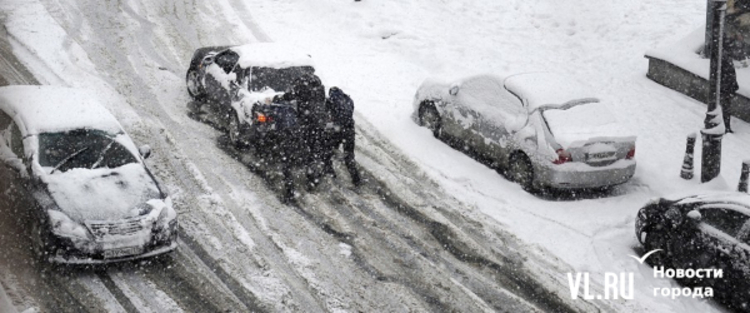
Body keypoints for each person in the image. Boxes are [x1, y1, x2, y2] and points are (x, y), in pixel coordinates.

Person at [286, 73, 328, 189]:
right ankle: (316, 174)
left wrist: (280, 98)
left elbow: (289, 96)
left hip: (307, 123)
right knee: (316, 148)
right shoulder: (320, 89)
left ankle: (308, 174)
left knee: (305, 147)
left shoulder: (302, 88)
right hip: (319, 122)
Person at [323, 87, 361, 186]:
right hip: (349, 131)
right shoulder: (348, 100)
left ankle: (332, 175)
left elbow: (325, 114)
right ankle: (356, 179)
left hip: (338, 130)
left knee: (326, 151)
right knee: (349, 156)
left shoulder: (331, 101)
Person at [720, 43, 740, 133]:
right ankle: (725, 126)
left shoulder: (727, 60)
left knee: (726, 107)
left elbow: (731, 74)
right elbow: (730, 74)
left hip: (726, 87)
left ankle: (726, 126)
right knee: (725, 107)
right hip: (725, 87)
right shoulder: (725, 60)